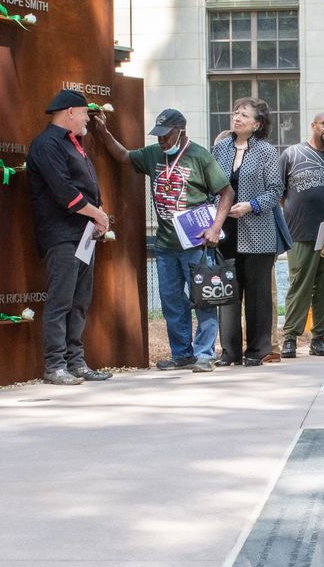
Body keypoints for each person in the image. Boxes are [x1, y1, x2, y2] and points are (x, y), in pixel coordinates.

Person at [89, 107, 228, 373]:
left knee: (204, 299)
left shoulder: (200, 157)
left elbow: (226, 192)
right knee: (171, 300)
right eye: (159, 136)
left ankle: (205, 354)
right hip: (165, 245)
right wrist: (104, 133)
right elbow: (123, 156)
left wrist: (215, 227)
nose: (161, 140)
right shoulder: (154, 154)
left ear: (181, 131)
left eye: (167, 135)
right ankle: (182, 355)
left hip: (196, 244)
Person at [27, 89, 114, 385]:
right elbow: (64, 192)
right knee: (61, 300)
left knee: (79, 301)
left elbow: (85, 187)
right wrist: (98, 214)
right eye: (85, 113)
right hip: (61, 235)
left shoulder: (74, 143)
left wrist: (97, 212)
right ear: (70, 113)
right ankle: (54, 366)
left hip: (83, 235)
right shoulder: (46, 144)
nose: (88, 118)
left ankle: (75, 362)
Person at [211, 97, 290, 366]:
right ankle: (229, 352)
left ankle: (257, 350)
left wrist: (251, 205)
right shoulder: (220, 149)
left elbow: (276, 191)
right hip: (226, 231)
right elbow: (211, 187)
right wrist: (217, 211)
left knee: (258, 296)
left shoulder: (267, 151)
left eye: (244, 115)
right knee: (228, 294)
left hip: (258, 230)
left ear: (257, 124)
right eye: (235, 113)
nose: (237, 118)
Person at [280, 113, 324, 357]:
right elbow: (279, 191)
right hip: (300, 232)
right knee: (299, 284)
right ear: (313, 125)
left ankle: (319, 337)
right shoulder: (292, 154)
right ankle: (290, 338)